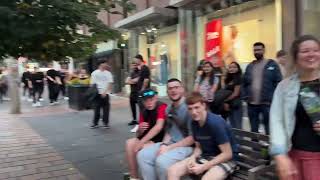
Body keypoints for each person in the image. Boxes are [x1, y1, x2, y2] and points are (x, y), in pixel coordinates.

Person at [270, 35, 320, 180]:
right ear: (296, 56)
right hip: (294, 158)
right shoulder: (284, 87)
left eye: (316, 50)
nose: (311, 54)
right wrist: (279, 154)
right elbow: (276, 121)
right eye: (305, 51)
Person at [168, 91, 238, 180]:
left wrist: (203, 167)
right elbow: (198, 147)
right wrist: (192, 158)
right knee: (172, 171)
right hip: (207, 156)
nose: (194, 112)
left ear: (204, 105)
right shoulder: (194, 123)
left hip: (226, 160)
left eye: (197, 107)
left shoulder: (215, 123)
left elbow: (227, 154)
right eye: (190, 109)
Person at [137, 78, 194, 180]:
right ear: (167, 92)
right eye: (170, 88)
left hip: (187, 146)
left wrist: (169, 148)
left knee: (161, 161)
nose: (173, 90)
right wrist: (163, 145)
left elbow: (192, 138)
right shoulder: (168, 109)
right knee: (142, 155)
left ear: (182, 89)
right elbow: (168, 131)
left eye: (176, 87)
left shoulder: (190, 108)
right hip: (170, 144)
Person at [125, 89, 167, 180]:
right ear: (143, 102)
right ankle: (134, 177)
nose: (149, 103)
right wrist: (140, 129)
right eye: (146, 101)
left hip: (162, 140)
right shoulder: (143, 111)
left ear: (156, 98)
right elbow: (138, 135)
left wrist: (141, 143)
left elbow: (158, 127)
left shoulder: (162, 107)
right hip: (148, 139)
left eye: (151, 99)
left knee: (140, 149)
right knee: (129, 143)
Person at [242, 42, 282, 134]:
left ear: (263, 50)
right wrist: (245, 97)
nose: (256, 52)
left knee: (268, 129)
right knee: (254, 130)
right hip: (251, 104)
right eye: (255, 50)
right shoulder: (250, 66)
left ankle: (268, 148)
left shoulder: (272, 65)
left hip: (267, 103)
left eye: (259, 50)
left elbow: (279, 82)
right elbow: (244, 83)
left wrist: (275, 98)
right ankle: (255, 148)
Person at [90, 61, 113, 129]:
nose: (106, 64)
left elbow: (110, 83)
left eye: (106, 63)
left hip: (105, 93)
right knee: (96, 109)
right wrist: (94, 92)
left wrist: (105, 92)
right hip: (97, 93)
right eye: (104, 63)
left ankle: (105, 123)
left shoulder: (108, 73)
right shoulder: (94, 73)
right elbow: (92, 84)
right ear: (100, 64)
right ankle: (95, 123)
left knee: (106, 109)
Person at [223, 62, 243, 129]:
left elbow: (235, 94)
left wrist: (225, 100)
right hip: (229, 105)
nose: (232, 69)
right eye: (230, 67)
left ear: (238, 69)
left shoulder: (239, 78)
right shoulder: (228, 79)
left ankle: (239, 140)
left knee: (238, 127)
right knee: (232, 126)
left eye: (234, 67)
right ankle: (234, 139)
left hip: (236, 105)